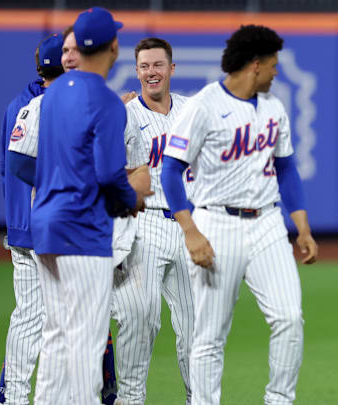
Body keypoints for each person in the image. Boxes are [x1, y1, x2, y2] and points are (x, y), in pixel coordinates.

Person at [160, 24, 318, 405]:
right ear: (256, 65)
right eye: (274, 63)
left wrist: (303, 228)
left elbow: (286, 169)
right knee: (210, 334)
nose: (277, 71)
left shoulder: (273, 108)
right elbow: (170, 170)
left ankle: (279, 400)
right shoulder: (203, 106)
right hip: (217, 222)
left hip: (266, 223)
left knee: (289, 319)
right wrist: (190, 230)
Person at [10, 7, 148, 403]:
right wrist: (130, 199)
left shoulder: (51, 97)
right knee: (87, 344)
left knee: (55, 339)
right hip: (83, 232)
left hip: (46, 229)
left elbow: (32, 161)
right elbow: (108, 175)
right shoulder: (106, 101)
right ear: (113, 46)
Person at [0, 32, 122, 405]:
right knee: (83, 315)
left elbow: (7, 168)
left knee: (32, 318)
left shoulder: (20, 104)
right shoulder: (62, 104)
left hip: (24, 225)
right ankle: (98, 394)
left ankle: (8, 397)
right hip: (58, 226)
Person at [111, 37, 196, 405]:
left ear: (172, 69)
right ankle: (130, 400)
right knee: (140, 319)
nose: (151, 72)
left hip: (190, 226)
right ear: (136, 71)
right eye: (144, 66)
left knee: (198, 330)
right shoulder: (125, 114)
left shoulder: (195, 111)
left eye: (158, 65)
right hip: (145, 226)